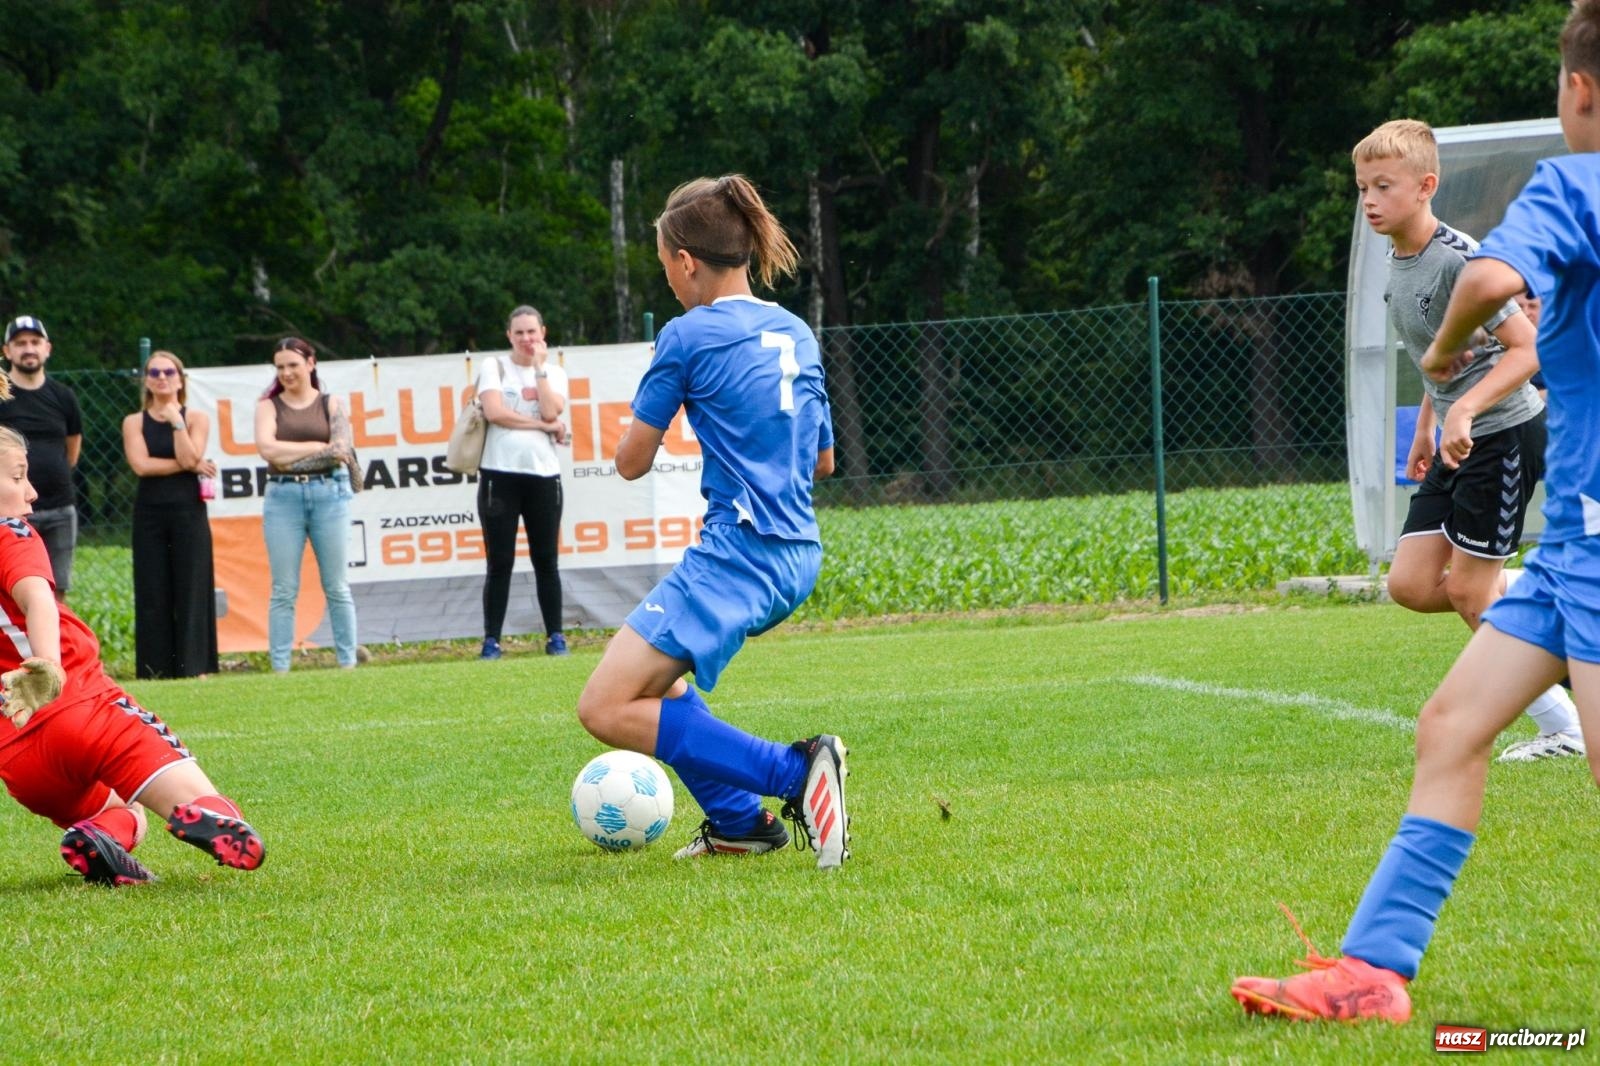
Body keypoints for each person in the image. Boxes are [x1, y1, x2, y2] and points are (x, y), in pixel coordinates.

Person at [1231, 3, 1600, 1022]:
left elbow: (1488, 280)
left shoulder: (1577, 179)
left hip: (1596, 539)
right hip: (1571, 544)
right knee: (1448, 726)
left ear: (1576, 90)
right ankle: (1373, 973)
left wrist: (1443, 364)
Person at [573, 174, 849, 869]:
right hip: (796, 551)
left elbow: (631, 461)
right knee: (659, 683)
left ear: (687, 260)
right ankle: (738, 822)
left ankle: (799, 772)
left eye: (664, 263)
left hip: (740, 554)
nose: (665, 277)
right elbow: (824, 462)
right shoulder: (794, 330)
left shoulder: (687, 336)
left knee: (603, 708)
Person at [1354, 119, 1582, 762]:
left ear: (1426, 186)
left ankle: (1565, 725)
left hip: (1504, 432)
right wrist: (1429, 423)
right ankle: (1539, 596)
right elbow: (1442, 354)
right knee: (1413, 584)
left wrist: (1466, 412)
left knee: (1466, 590)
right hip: (1456, 437)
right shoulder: (1398, 259)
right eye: (1362, 187)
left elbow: (1525, 350)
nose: (1369, 200)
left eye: (1383, 187)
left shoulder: (1459, 258)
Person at [0, 421, 263, 885]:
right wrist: (47, 667)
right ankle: (212, 813)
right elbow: (36, 598)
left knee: (126, 811)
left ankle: (100, 835)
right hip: (76, 703)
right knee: (186, 794)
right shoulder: (9, 533)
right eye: (19, 475)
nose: (33, 492)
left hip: (17, 754)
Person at [253, 337, 361, 673]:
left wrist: (292, 454)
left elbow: (341, 448)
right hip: (282, 497)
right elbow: (267, 451)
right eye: (280, 367)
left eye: (293, 365)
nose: (286, 372)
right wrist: (318, 445)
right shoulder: (267, 406)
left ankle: (348, 663)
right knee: (284, 589)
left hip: (330, 495)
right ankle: (281, 668)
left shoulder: (332, 403)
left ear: (311, 364)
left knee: (337, 585)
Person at [476, 306, 571, 660]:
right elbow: (495, 413)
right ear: (509, 336)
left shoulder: (554, 372)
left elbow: (551, 411)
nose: (527, 339)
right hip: (499, 474)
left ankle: (556, 637)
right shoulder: (494, 367)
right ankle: (491, 641)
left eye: (532, 332)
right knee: (499, 561)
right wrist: (544, 428)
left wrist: (540, 370)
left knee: (545, 559)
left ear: (543, 332)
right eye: (519, 333)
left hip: (544, 476)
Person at [121, 351, 219, 680]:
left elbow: (192, 455)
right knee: (152, 588)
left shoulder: (196, 418)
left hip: (189, 510)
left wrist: (176, 421)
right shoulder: (134, 422)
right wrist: (188, 465)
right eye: (154, 372)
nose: (161, 377)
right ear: (146, 379)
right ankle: (155, 669)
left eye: (168, 371)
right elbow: (141, 465)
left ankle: (194, 667)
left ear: (180, 377)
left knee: (192, 587)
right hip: (150, 512)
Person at [0, 316, 82, 604]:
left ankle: (55, 647)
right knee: (15, 589)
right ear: (7, 351)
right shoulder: (1, 395)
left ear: (48, 348)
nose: (29, 348)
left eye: (35, 342)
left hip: (59, 506)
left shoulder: (64, 396)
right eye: (20, 343)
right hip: (9, 511)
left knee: (56, 591)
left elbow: (72, 448)